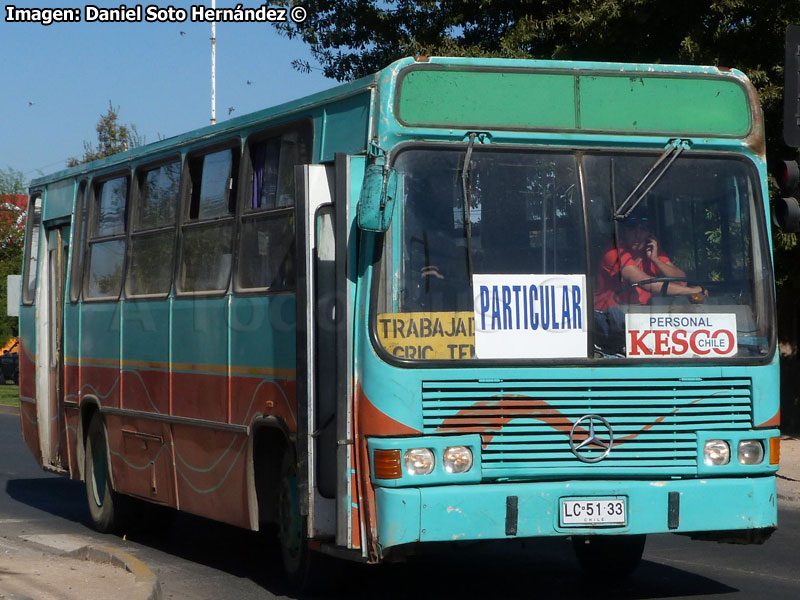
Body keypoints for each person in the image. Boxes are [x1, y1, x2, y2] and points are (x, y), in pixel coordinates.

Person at [593, 216, 705, 354]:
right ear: (623, 231)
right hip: (610, 326)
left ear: (649, 234)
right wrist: (691, 291)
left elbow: (681, 281)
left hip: (644, 321)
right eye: (632, 228)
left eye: (642, 229)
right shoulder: (613, 252)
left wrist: (656, 260)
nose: (637, 234)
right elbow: (645, 283)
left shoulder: (650, 252)